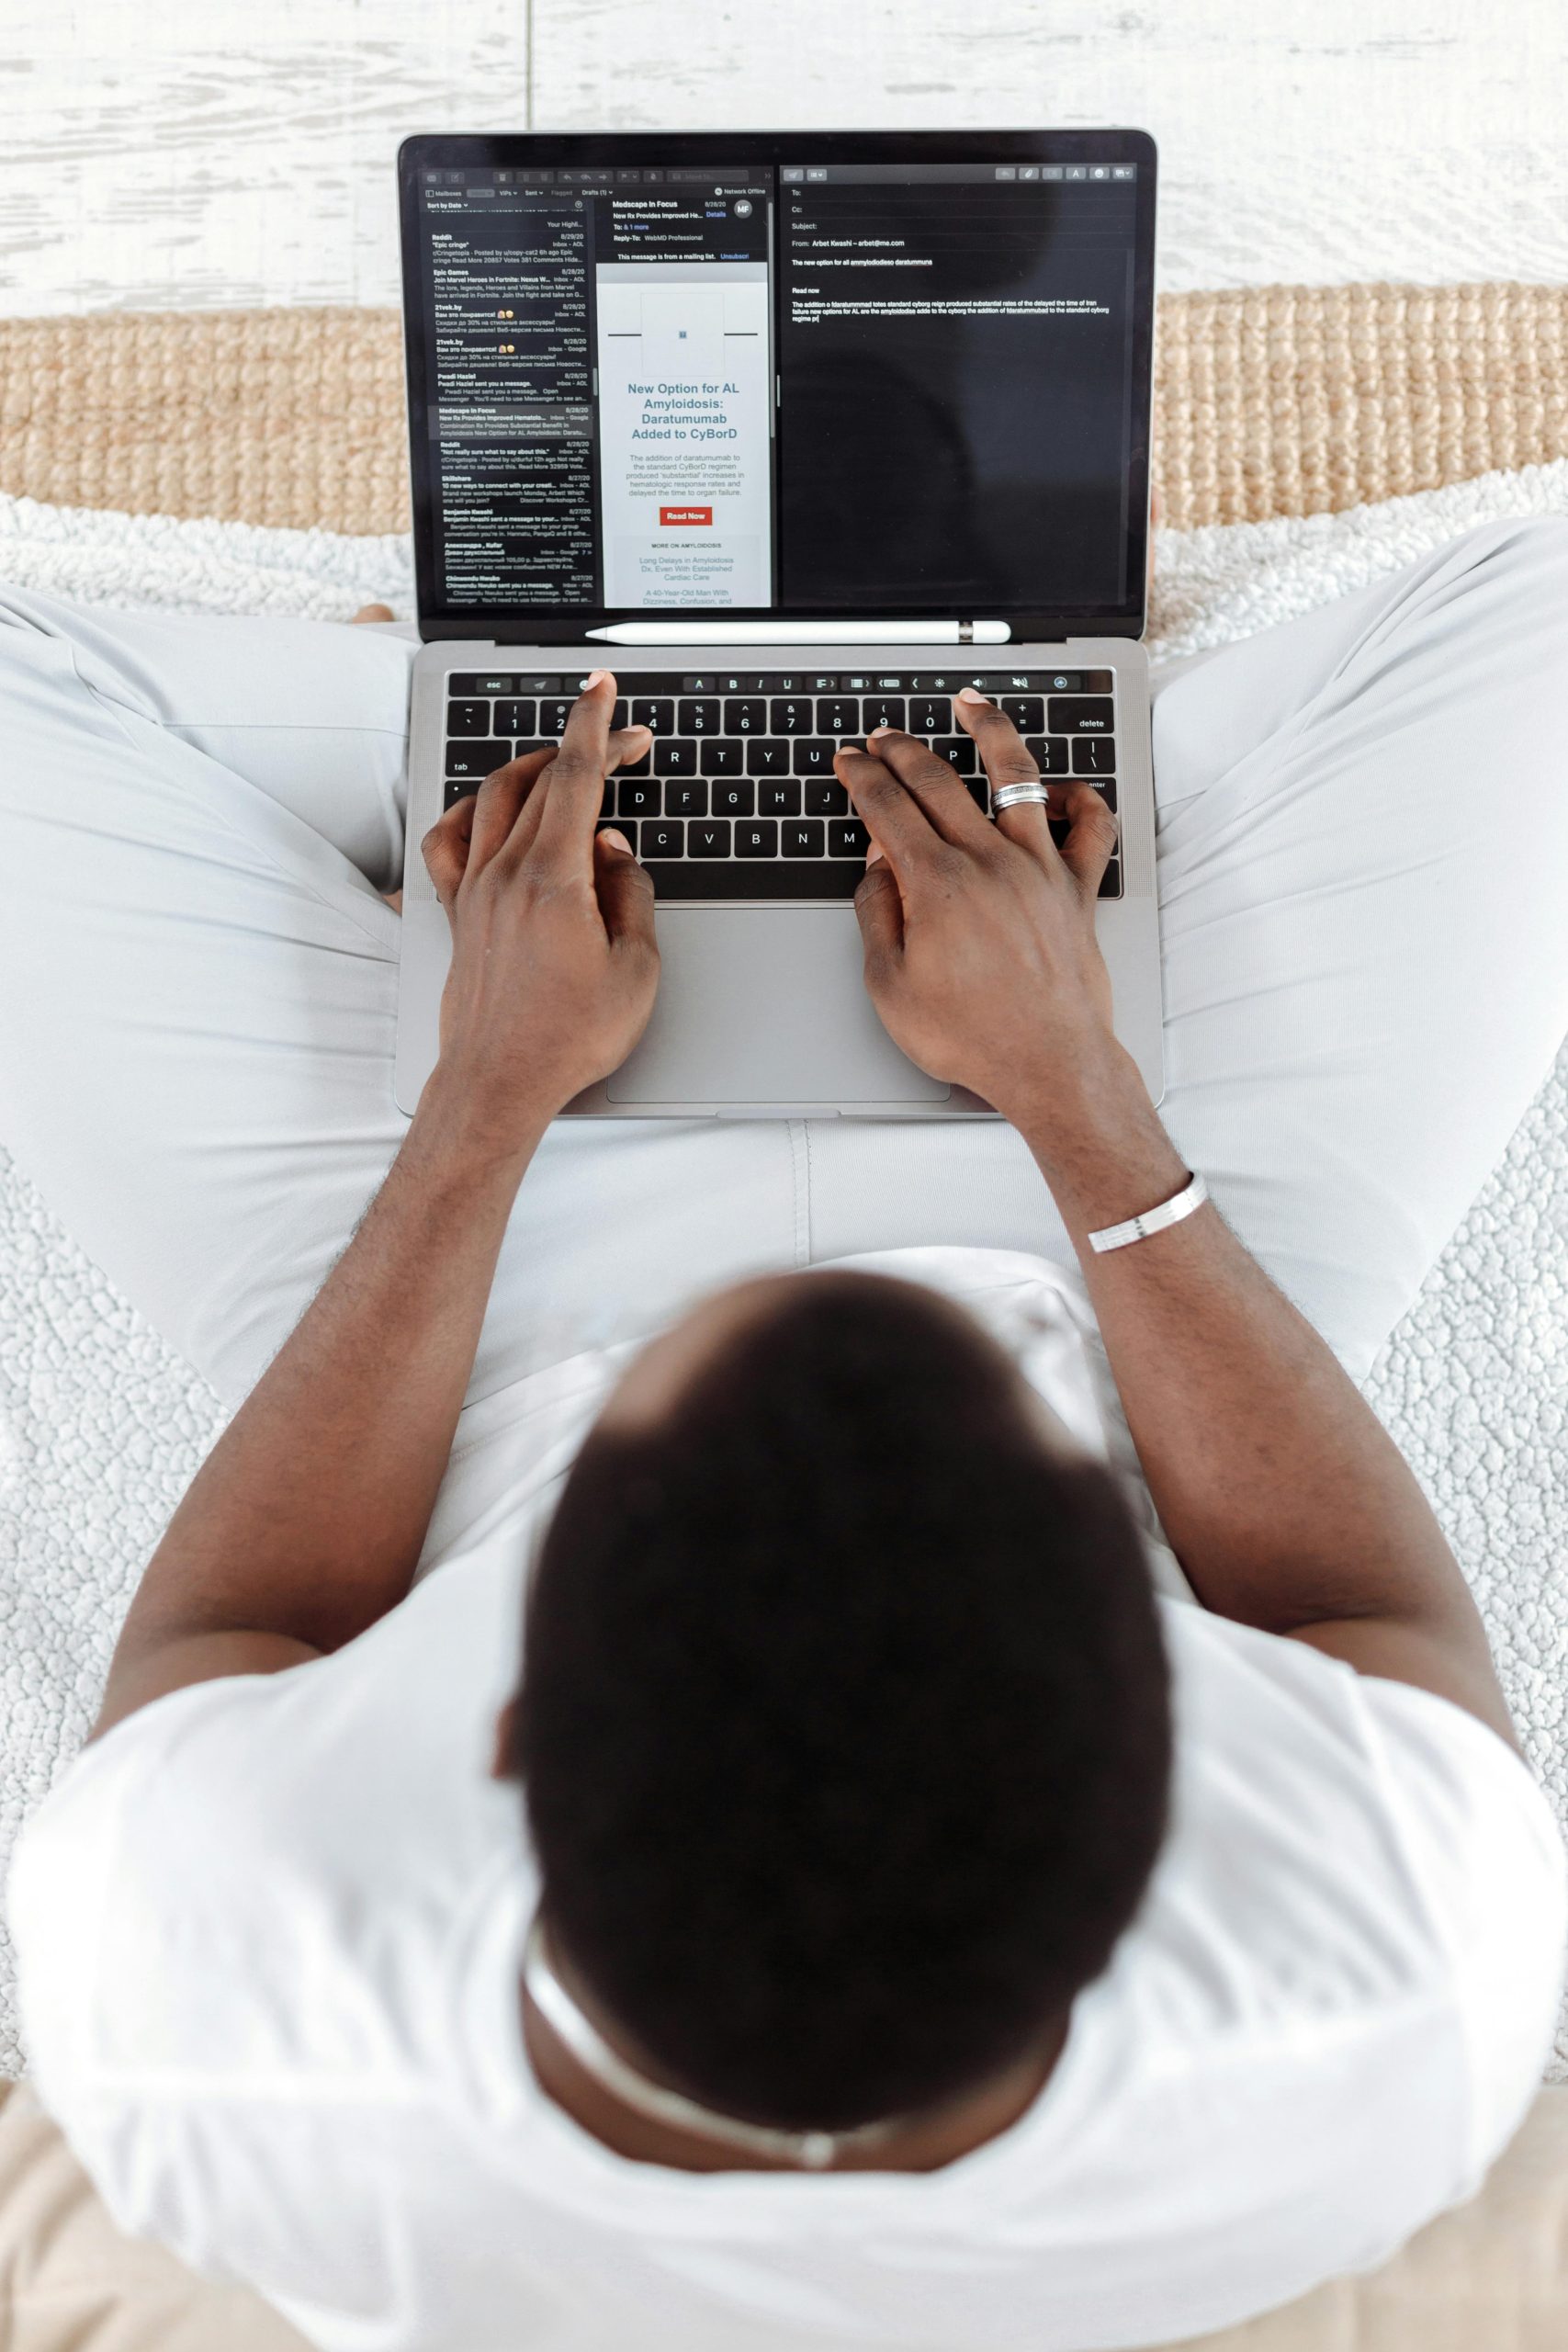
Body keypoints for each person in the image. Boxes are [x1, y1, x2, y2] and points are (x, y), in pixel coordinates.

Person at [4, 519, 1567, 2352]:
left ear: (502, 1730)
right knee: (1516, 572)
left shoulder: (204, 2014)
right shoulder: (1397, 1997)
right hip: (1110, 1264)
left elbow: (228, 1635)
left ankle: (530, 734)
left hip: (490, 1304)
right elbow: (1350, 1604)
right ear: (1163, 1738)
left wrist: (484, 1098)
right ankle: (1031, 760)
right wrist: (1074, 1090)